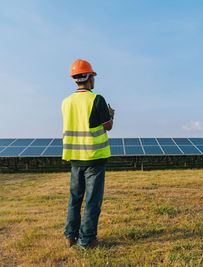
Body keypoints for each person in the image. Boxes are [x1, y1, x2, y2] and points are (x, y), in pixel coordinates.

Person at [61, 59, 115, 249]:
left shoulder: (66, 102)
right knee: (92, 201)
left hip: (75, 159)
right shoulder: (96, 99)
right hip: (94, 158)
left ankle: (70, 237)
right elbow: (107, 126)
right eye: (93, 76)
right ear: (89, 77)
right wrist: (110, 114)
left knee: (75, 199)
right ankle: (87, 241)